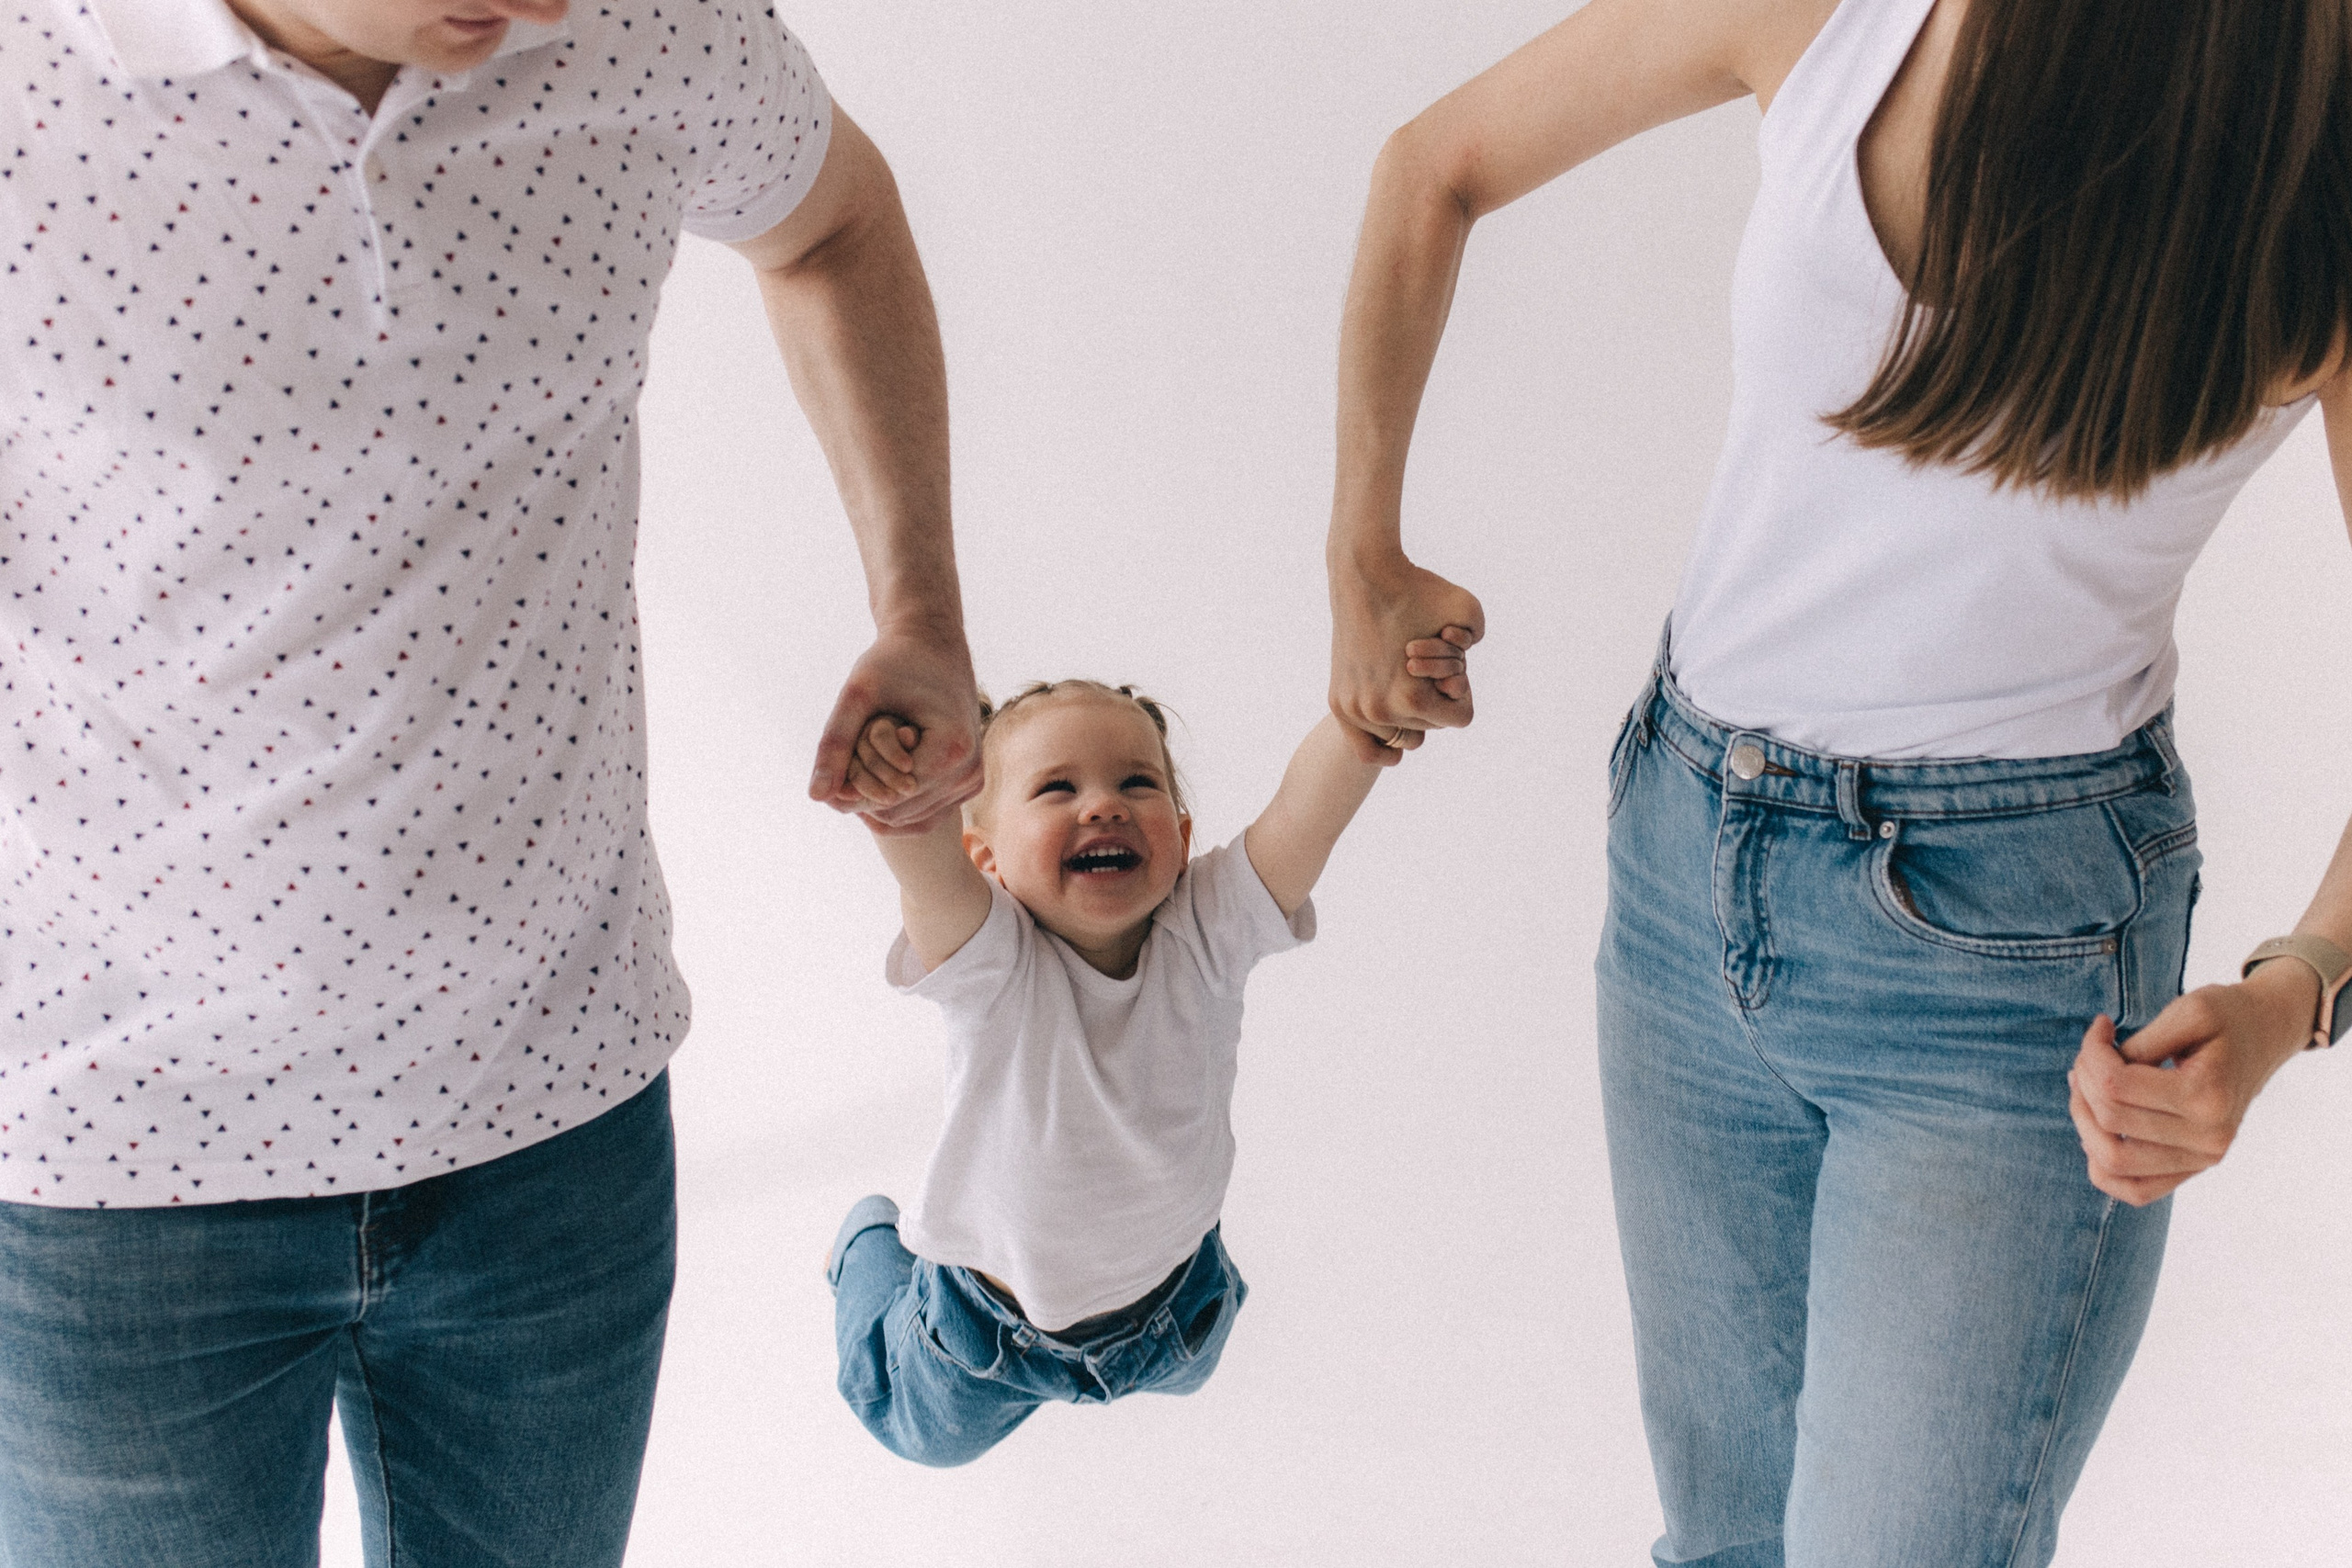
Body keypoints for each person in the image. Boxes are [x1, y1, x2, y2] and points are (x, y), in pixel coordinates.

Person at [1323, 0, 2352, 1563]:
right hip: (1688, 857)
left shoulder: (2322, 172)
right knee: (1726, 1540)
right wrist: (1361, 556)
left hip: (2014, 975)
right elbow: (1434, 165)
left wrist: (2296, 992)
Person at [0, 1, 979, 1563]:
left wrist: (919, 606)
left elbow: (830, 224)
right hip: (107, 1168)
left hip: (553, 1126)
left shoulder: (651, 31)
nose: (537, 8)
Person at [821, 680, 1384, 1465]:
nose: (1104, 806)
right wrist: (906, 789)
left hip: (1175, 1302)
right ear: (984, 859)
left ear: (1182, 838)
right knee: (913, 1430)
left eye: (1138, 782)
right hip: (987, 1329)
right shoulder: (994, 966)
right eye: (1058, 788)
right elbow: (927, 876)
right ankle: (864, 1241)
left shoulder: (1206, 935)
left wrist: (1363, 721)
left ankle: (1143, 1358)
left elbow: (1300, 818)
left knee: (1194, 1375)